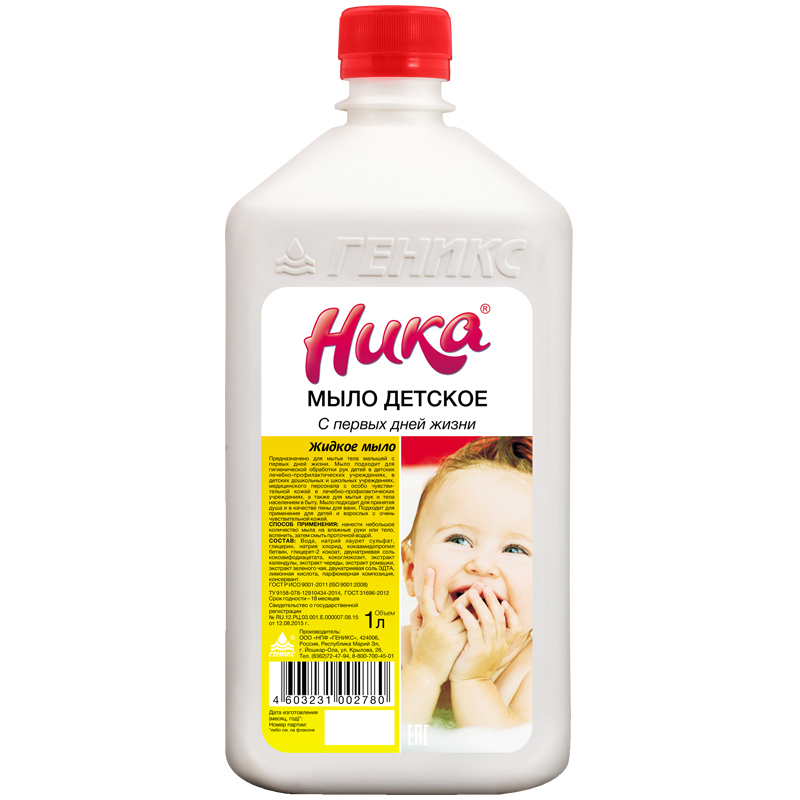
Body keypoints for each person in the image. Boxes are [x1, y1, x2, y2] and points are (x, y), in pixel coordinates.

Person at [401, 436, 534, 729]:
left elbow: (505, 751)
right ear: (411, 571)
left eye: (515, 549)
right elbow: (370, 743)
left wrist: (474, 678)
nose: (482, 566)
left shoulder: (537, 670)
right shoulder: (392, 650)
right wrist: (424, 668)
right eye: (459, 540)